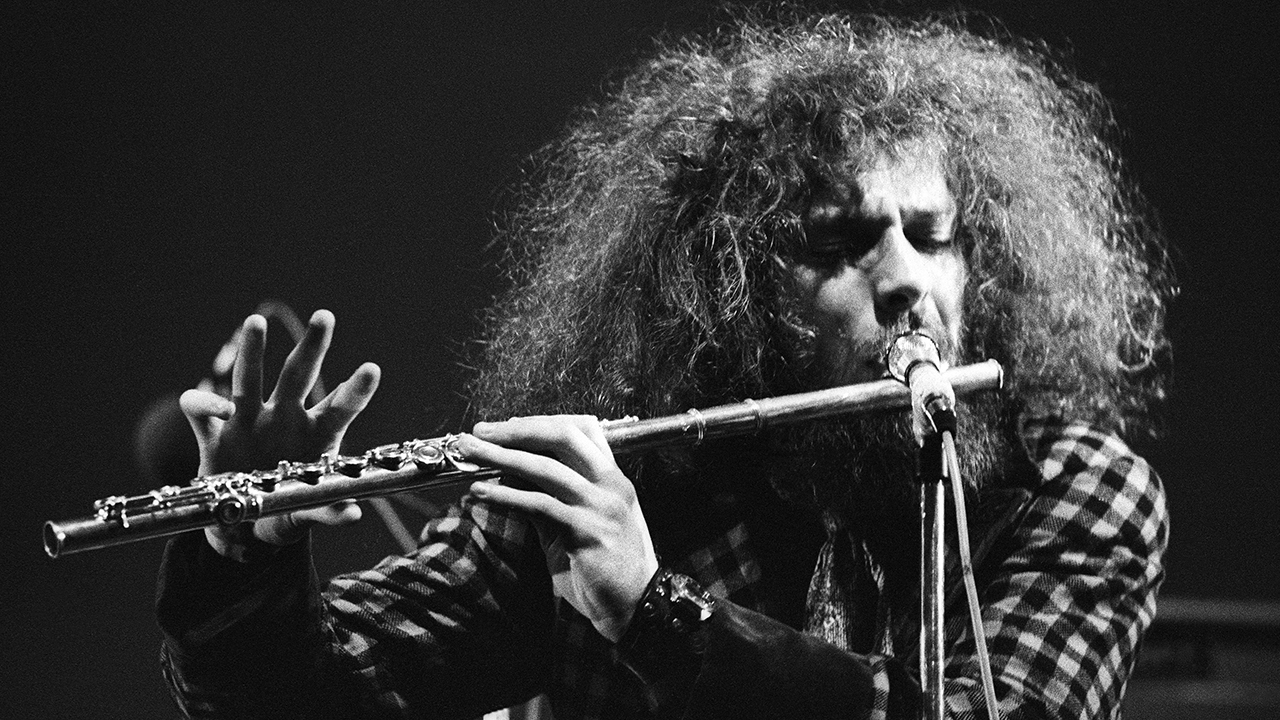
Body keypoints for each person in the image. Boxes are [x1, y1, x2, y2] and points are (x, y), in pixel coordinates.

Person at [156, 11, 1172, 720]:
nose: (906, 279)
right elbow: (305, 702)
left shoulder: (1073, 489)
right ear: (732, 286)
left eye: (933, 235)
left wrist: (658, 614)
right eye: (836, 244)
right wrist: (242, 554)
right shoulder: (603, 491)